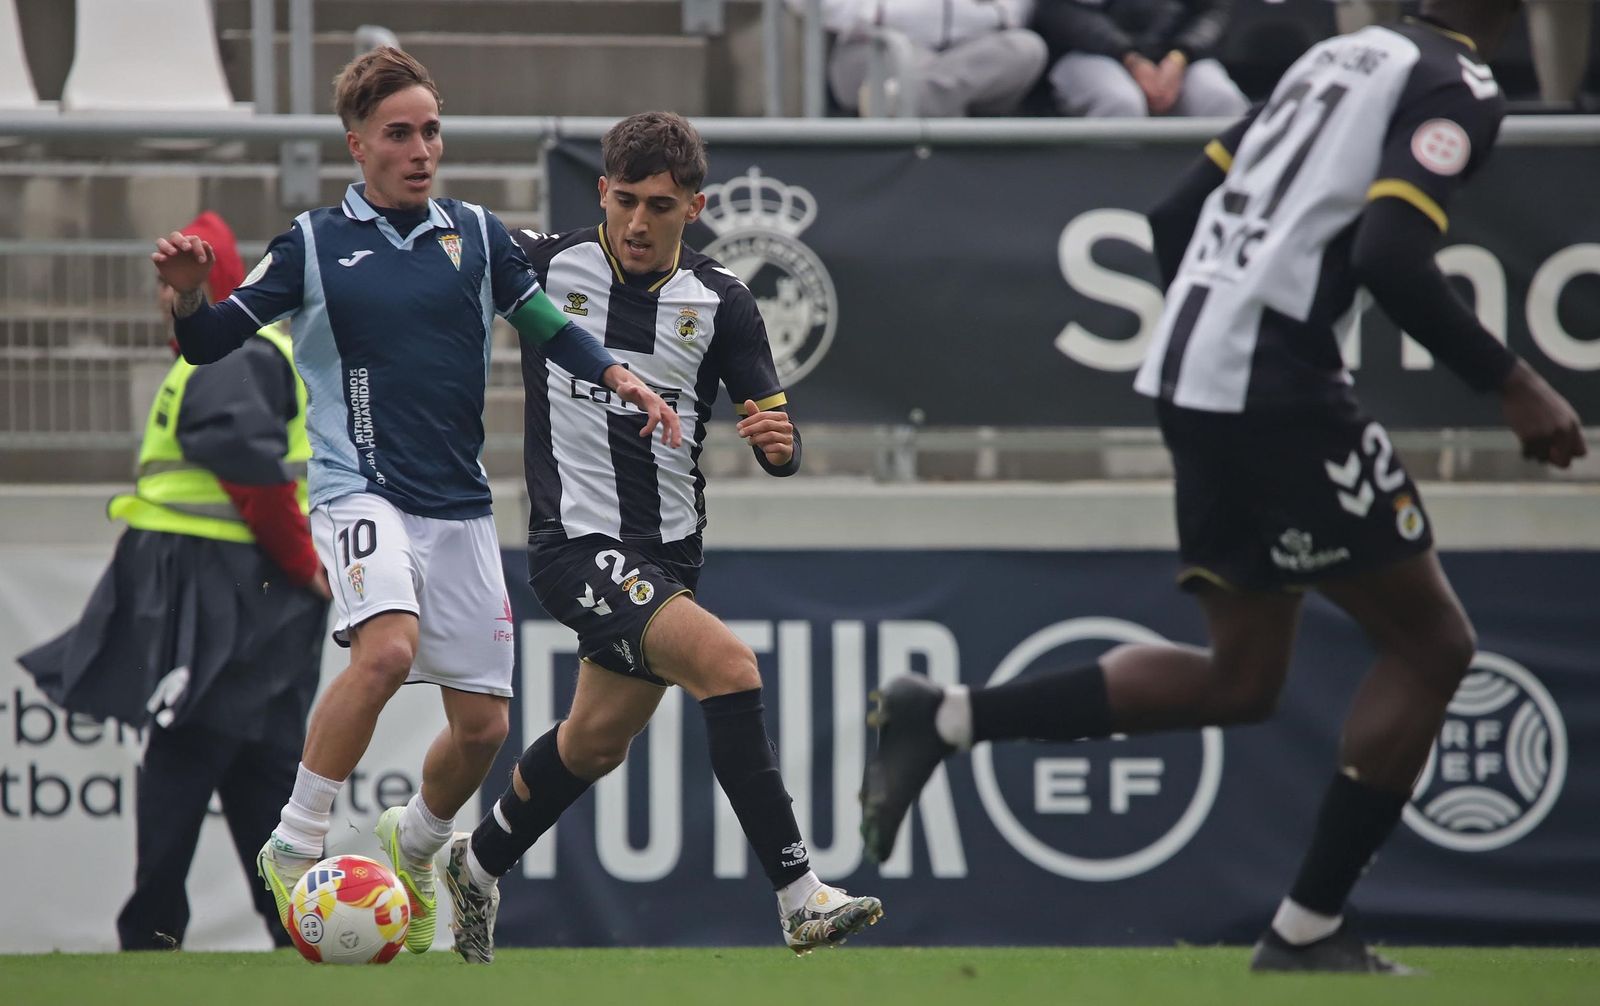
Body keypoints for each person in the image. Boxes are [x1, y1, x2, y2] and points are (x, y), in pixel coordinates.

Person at [861, 0, 1585, 973]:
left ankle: (943, 714)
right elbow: (1390, 255)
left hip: (1194, 374)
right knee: (1431, 643)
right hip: (1268, 381)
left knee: (1242, 676)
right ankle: (1307, 928)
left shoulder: (1334, 58)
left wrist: (1219, 330)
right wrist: (1515, 381)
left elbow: (1174, 215)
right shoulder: (1454, 84)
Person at [151, 48, 680, 956]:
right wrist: (190, 293)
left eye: (431, 130)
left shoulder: (473, 234)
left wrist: (617, 374)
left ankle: (420, 842)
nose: (421, 147)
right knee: (388, 648)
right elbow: (206, 342)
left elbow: (547, 327)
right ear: (358, 145)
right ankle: (295, 838)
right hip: (361, 493)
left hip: (460, 509)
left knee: (484, 729)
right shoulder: (314, 244)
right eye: (399, 133)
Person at [440, 111, 884, 963]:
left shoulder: (724, 302)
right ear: (602, 191)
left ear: (696, 206)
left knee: (596, 742)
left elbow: (775, 427)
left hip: (668, 553)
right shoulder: (543, 262)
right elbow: (438, 250)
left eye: (661, 206)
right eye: (626, 201)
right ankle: (799, 895)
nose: (639, 223)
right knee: (729, 669)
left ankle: (480, 860)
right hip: (574, 545)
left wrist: (782, 449)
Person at [19, 210, 330, 951]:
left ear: (218, 281)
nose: (166, 297)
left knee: (197, 747)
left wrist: (304, 566)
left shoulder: (230, 352)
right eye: (163, 284)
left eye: (181, 283)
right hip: (245, 590)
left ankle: (156, 931)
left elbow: (250, 473)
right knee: (252, 759)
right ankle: (290, 931)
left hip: (228, 587)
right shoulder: (241, 354)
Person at [805, 0, 1048, 116]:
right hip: (875, 44)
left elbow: (1017, 11)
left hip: (969, 53)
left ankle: (904, 101)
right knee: (907, 62)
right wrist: (880, 11)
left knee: (1026, 48)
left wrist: (996, 11)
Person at [1034, 0, 1249, 117]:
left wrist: (1180, 56)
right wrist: (1129, 56)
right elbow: (1059, 12)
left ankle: (1221, 195)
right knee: (1120, 101)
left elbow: (1214, 11)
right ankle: (1108, 194)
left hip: (1179, 55)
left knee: (1221, 100)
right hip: (1090, 52)